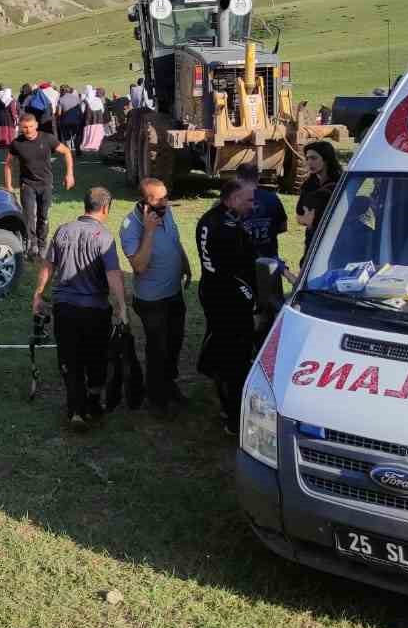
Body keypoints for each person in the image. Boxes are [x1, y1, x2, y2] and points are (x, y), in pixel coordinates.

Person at [32, 187, 128, 424]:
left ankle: (76, 409)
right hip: (95, 310)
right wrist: (121, 305)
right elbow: (113, 274)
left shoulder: (62, 231)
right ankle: (94, 403)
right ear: (106, 208)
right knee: (96, 357)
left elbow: (47, 266)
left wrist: (38, 294)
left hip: (64, 308)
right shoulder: (103, 236)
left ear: (85, 205)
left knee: (70, 358)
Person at [120, 175, 191, 410]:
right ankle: (157, 397)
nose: (166, 203)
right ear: (144, 202)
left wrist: (185, 265)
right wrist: (149, 231)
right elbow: (139, 266)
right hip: (152, 301)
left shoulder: (166, 212)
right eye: (160, 200)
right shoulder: (130, 226)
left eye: (166, 198)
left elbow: (175, 240)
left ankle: (169, 384)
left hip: (173, 293)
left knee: (174, 344)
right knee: (157, 349)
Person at [196, 178, 259, 436]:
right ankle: (233, 417)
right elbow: (236, 274)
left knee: (221, 347)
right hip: (229, 302)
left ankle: (223, 398)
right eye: (249, 200)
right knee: (236, 360)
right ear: (232, 200)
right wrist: (253, 304)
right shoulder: (229, 230)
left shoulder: (208, 219)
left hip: (211, 293)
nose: (253, 205)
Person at [4, 111, 75, 260]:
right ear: (20, 127)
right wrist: (8, 185)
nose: (28, 130)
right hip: (27, 185)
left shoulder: (48, 139)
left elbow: (66, 152)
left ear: (36, 125)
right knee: (29, 217)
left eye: (30, 126)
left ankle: (42, 245)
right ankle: (32, 246)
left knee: (44, 216)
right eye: (24, 127)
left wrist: (69, 174)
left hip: (46, 184)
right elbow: (8, 164)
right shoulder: (17, 143)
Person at [235, 161, 288, 261]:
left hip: (241, 262)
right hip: (269, 261)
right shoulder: (273, 198)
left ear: (237, 179)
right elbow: (283, 227)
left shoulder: (230, 202)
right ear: (258, 178)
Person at [299, 140, 342, 206]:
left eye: (313, 158)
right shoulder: (308, 185)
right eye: (307, 158)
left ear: (326, 159)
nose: (309, 162)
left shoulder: (340, 183)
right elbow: (300, 211)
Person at [56, 85, 84, 153]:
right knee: (76, 135)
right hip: (76, 120)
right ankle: (77, 149)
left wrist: (58, 120)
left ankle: (69, 150)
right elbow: (80, 110)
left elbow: (59, 113)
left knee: (67, 136)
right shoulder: (76, 98)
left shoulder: (61, 99)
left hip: (65, 120)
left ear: (62, 91)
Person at [80, 86, 108, 152]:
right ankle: (97, 144)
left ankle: (89, 144)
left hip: (89, 119)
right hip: (99, 119)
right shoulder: (98, 99)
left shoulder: (85, 100)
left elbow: (82, 110)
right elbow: (102, 110)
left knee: (90, 132)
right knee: (97, 132)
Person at [0, 85, 17, 150]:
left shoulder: (1, 100)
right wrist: (15, 119)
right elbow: (13, 111)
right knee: (9, 132)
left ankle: (2, 144)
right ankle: (9, 144)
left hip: (1, 118)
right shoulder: (11, 101)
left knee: (2, 131)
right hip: (9, 119)